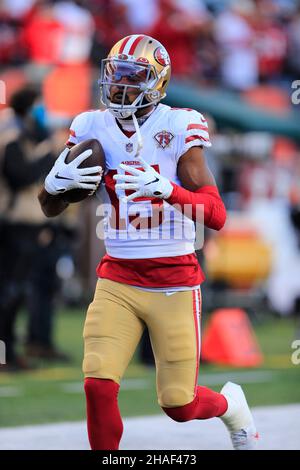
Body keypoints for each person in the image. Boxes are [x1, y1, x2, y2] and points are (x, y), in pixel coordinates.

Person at [39, 34, 258, 450]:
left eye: (132, 78)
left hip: (174, 281)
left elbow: (216, 215)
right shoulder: (90, 126)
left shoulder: (178, 125)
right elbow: (51, 207)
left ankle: (232, 405)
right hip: (118, 278)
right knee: (97, 385)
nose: (120, 88)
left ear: (157, 82)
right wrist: (51, 186)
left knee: (179, 404)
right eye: (114, 77)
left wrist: (167, 190)